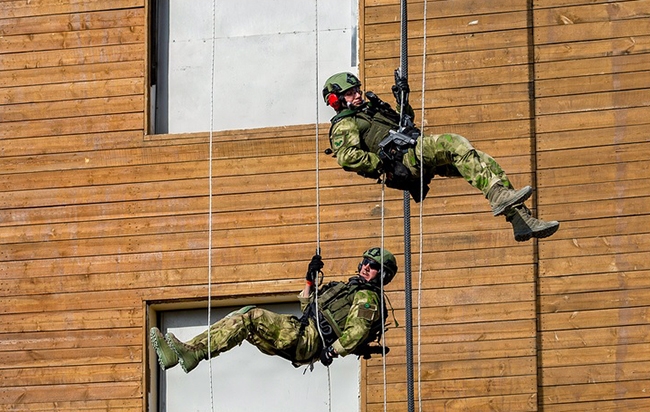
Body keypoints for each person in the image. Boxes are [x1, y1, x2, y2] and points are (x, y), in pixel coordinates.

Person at [322, 71, 560, 242]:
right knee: (453, 142)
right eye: (350, 93)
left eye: (357, 90)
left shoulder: (372, 110)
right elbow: (347, 156)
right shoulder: (345, 124)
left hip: (413, 150)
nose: (358, 95)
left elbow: (405, 123)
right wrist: (381, 163)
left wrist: (402, 101)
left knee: (484, 162)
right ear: (336, 100)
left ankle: (520, 220)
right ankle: (500, 197)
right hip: (405, 159)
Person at [150, 247, 396, 373]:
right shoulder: (348, 288)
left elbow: (356, 332)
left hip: (309, 340)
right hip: (303, 332)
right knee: (244, 318)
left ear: (382, 274)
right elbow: (309, 308)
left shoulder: (367, 298)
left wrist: (332, 352)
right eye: (365, 262)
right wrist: (310, 281)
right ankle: (186, 353)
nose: (365, 267)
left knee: (252, 317)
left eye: (372, 266)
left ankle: (193, 353)